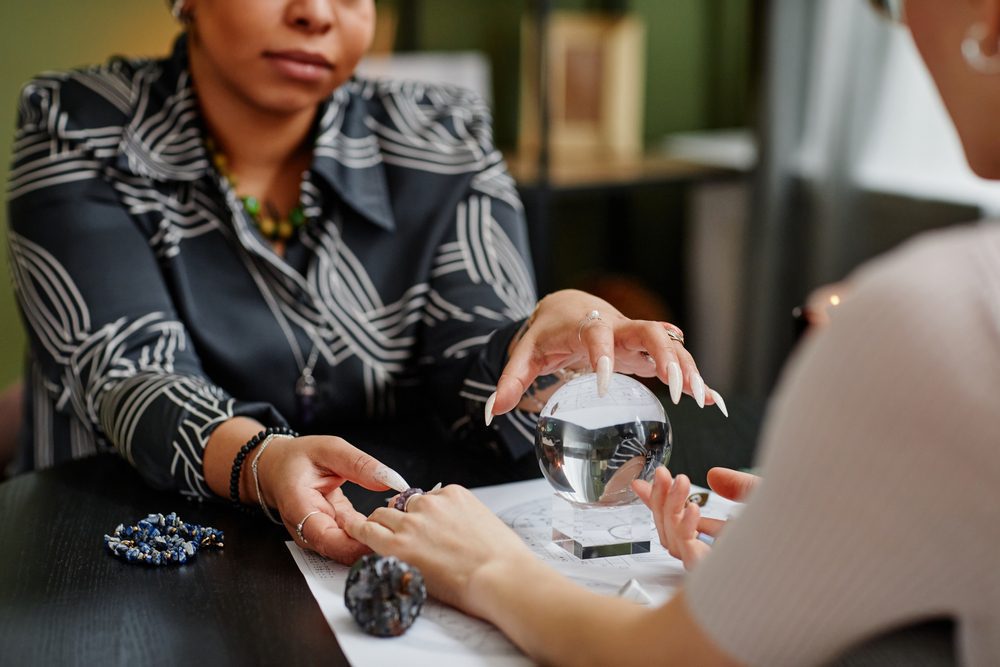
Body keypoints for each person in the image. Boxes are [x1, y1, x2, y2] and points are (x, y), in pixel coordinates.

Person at [343, 0, 1000, 664]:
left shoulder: (942, 312)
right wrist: (862, 528)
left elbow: (662, 655)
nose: (900, 20)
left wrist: (489, 565)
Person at [5, 0, 723, 563]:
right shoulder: (78, 126)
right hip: (113, 547)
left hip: (366, 537)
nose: (317, 12)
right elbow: (128, 371)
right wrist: (262, 459)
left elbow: (471, 356)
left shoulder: (439, 134)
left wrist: (544, 343)